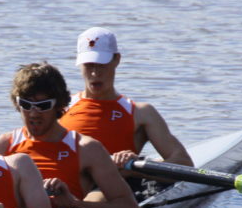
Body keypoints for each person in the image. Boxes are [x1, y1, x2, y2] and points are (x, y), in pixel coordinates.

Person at [0, 62, 140, 208]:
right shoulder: (3, 145)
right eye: (25, 104)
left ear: (59, 105)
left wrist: (73, 204)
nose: (33, 114)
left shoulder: (87, 149)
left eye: (43, 105)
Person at [61, 27, 194, 180]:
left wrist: (134, 169)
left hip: (107, 191)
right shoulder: (59, 108)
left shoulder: (141, 113)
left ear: (117, 59)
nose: (94, 73)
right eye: (89, 65)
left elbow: (184, 164)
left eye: (101, 64)